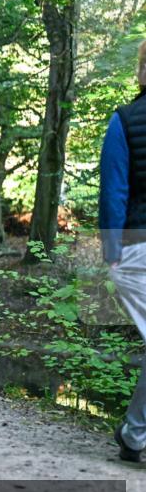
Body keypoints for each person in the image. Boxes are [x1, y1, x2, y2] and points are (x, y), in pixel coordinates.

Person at [100, 39, 146, 464]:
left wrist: (111, 251)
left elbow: (113, 190)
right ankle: (133, 435)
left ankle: (134, 434)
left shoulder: (124, 120)